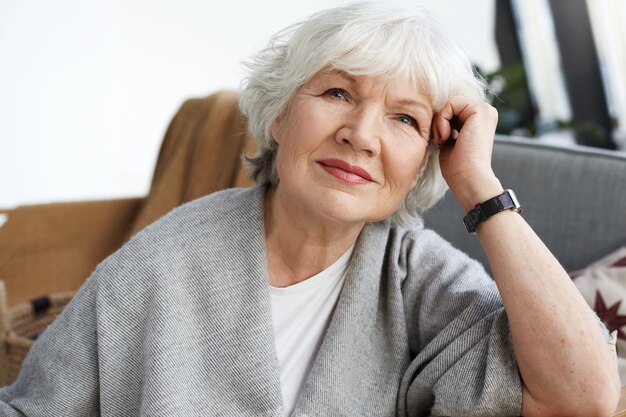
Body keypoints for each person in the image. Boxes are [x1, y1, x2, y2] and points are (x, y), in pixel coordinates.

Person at [0, 2, 620, 416]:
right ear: (278, 115)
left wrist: (479, 186)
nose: (361, 134)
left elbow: (587, 398)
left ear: (426, 160)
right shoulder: (160, 263)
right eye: (337, 92)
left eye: (404, 118)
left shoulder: (417, 276)